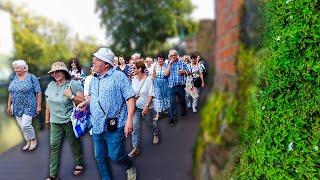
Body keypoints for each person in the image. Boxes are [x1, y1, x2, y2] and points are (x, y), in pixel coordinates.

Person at [77, 47, 137, 180]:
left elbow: (130, 97)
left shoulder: (118, 76)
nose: (94, 61)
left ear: (106, 63)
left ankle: (129, 165)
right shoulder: (94, 79)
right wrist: (85, 103)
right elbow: (93, 97)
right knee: (100, 157)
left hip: (116, 124)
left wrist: (130, 120)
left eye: (97, 59)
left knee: (115, 155)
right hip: (97, 124)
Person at [45, 61, 85, 180]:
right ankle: (53, 175)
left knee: (74, 143)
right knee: (54, 146)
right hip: (55, 122)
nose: (56, 74)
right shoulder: (51, 86)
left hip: (69, 121)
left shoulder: (73, 84)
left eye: (58, 71)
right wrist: (47, 120)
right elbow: (48, 104)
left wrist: (71, 96)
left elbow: (83, 101)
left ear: (64, 72)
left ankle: (79, 163)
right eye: (53, 72)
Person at [7, 60, 41, 151]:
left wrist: (38, 106)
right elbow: (11, 92)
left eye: (17, 68)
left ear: (24, 68)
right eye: (14, 68)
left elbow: (38, 92)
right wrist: (9, 106)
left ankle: (33, 139)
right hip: (16, 106)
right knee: (22, 126)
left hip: (29, 105)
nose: (15, 70)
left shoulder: (31, 77)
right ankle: (28, 141)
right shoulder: (13, 77)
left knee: (25, 125)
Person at [129, 60, 159, 157]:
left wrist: (146, 106)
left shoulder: (148, 79)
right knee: (135, 126)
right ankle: (135, 148)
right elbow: (131, 92)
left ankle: (155, 134)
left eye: (134, 68)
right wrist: (134, 97)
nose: (133, 69)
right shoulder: (133, 79)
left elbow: (151, 94)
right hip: (136, 107)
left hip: (147, 107)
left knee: (150, 124)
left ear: (140, 69)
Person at [164, 49, 189, 126]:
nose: (173, 56)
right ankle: (172, 118)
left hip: (181, 86)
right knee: (171, 103)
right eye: (171, 55)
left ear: (177, 55)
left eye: (175, 55)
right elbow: (165, 74)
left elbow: (188, 71)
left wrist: (184, 71)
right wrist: (170, 64)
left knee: (182, 100)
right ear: (169, 56)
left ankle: (184, 110)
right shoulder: (167, 63)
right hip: (172, 87)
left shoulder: (182, 62)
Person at [152, 53, 170, 121]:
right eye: (159, 59)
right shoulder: (155, 66)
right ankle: (157, 114)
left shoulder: (166, 65)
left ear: (164, 59)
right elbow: (153, 75)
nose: (160, 60)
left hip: (165, 82)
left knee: (165, 97)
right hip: (157, 83)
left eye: (161, 59)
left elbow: (166, 75)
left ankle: (165, 109)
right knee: (158, 97)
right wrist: (153, 82)